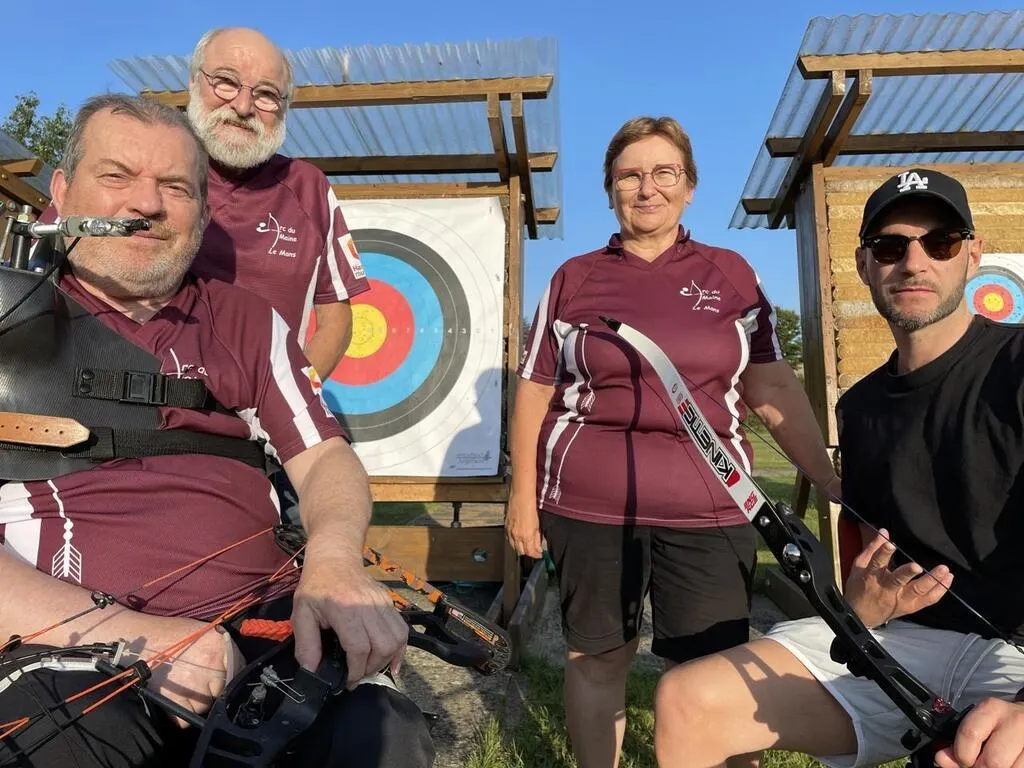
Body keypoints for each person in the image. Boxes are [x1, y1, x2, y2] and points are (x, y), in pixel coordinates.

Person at [0, 94, 434, 767]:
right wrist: (129, 635)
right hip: (69, 653)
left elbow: (323, 461)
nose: (145, 205)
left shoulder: (248, 323)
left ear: (201, 214)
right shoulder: (9, 317)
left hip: (263, 642)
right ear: (62, 191)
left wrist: (336, 556)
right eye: (115, 177)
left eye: (174, 187)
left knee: (381, 735)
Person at [652, 167, 1024, 768]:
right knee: (685, 699)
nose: (914, 261)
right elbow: (872, 562)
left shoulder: (1016, 363)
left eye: (940, 242)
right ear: (864, 265)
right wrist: (860, 607)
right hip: (902, 644)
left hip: (1016, 660)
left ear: (973, 254)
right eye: (890, 246)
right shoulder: (862, 407)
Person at [505, 115, 840, 768]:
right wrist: (522, 494)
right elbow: (536, 388)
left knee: (716, 676)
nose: (646, 187)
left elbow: (773, 391)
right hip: (589, 508)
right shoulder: (573, 279)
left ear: (689, 188)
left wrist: (828, 481)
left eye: (664, 173)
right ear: (609, 190)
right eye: (629, 174)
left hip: (711, 510)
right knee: (597, 658)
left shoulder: (732, 276)